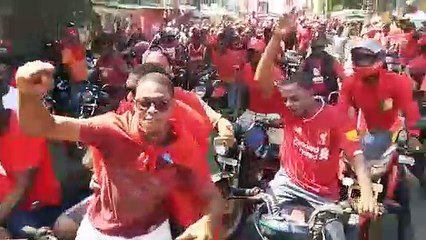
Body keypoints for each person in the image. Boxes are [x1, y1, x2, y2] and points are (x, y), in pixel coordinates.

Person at [16, 61, 224, 240]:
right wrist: (27, 94)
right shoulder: (111, 129)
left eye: (161, 104)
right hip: (100, 232)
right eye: (145, 103)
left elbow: (211, 195)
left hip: (152, 233)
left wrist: (208, 221)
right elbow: (42, 127)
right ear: (133, 103)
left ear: (172, 106)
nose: (152, 110)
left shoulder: (181, 143)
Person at [240, 16, 377, 240]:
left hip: (322, 196)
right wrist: (276, 37)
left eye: (294, 99)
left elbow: (357, 156)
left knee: (337, 235)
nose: (287, 105)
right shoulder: (287, 109)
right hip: (286, 183)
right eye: (285, 100)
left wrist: (367, 194)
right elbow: (260, 77)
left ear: (311, 93)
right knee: (251, 228)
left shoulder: (338, 119)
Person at [338, 39, 421, 240]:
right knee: (336, 182)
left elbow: (410, 113)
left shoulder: (398, 82)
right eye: (359, 57)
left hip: (390, 139)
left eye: (367, 57)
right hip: (363, 138)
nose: (363, 62)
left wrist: (412, 136)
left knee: (405, 188)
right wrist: (346, 141)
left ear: (380, 59)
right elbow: (343, 115)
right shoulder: (350, 83)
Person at [0, 72, 62, 238]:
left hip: (37, 206)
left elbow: (22, 187)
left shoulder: (22, 128)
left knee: (20, 227)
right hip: (12, 201)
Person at [300, 35, 345, 100]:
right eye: (315, 48)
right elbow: (299, 76)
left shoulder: (331, 60)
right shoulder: (306, 61)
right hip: (312, 96)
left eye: (319, 48)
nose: (317, 50)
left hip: (328, 95)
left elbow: (342, 76)